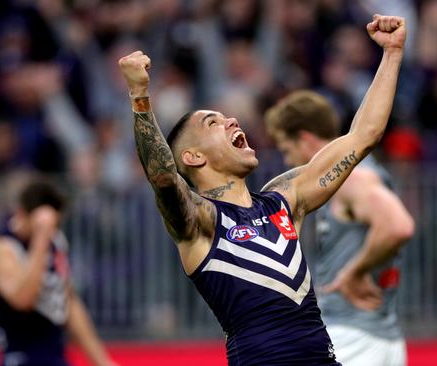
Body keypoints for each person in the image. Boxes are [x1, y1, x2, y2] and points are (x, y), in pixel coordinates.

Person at [117, 13, 405, 366]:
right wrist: (140, 95)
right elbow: (163, 178)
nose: (231, 121)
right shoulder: (200, 222)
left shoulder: (281, 201)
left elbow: (363, 137)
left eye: (227, 118)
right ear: (192, 157)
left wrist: (392, 53)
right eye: (214, 123)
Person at [265, 90, 414, 365]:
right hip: (381, 335)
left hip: (353, 338)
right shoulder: (355, 175)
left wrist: (353, 272)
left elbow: (398, 225)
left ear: (306, 140)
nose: (287, 162)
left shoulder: (352, 177)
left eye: (287, 150)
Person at [0, 178, 115, 366]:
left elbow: (68, 301)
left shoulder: (55, 242)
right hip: (20, 355)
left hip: (54, 354)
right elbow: (23, 299)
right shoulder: (3, 248)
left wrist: (102, 360)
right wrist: (41, 238)